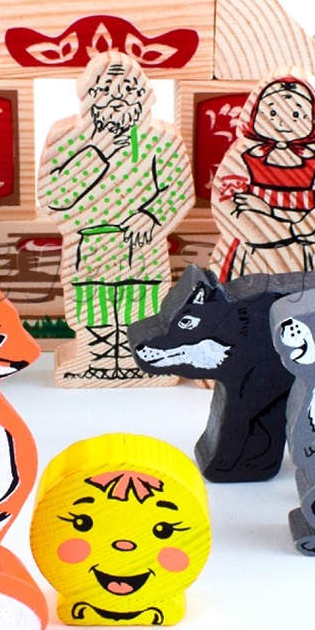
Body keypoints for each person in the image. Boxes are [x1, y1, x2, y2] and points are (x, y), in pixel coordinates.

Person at [39, 51, 193, 384]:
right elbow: (53, 197)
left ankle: (139, 361)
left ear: (145, 95)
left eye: (128, 88)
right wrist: (98, 151)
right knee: (91, 305)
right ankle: (95, 362)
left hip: (143, 246)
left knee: (142, 304)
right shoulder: (66, 139)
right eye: (106, 89)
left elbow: (179, 190)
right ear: (88, 96)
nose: (117, 97)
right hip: (89, 245)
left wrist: (151, 216)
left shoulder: (163, 140)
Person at [211, 74, 315, 279]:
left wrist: (267, 212)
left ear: (314, 118)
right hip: (250, 256)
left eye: (296, 114)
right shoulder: (241, 157)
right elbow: (228, 213)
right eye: (272, 113)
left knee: (303, 296)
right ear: (255, 114)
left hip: (303, 259)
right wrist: (297, 227)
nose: (282, 121)